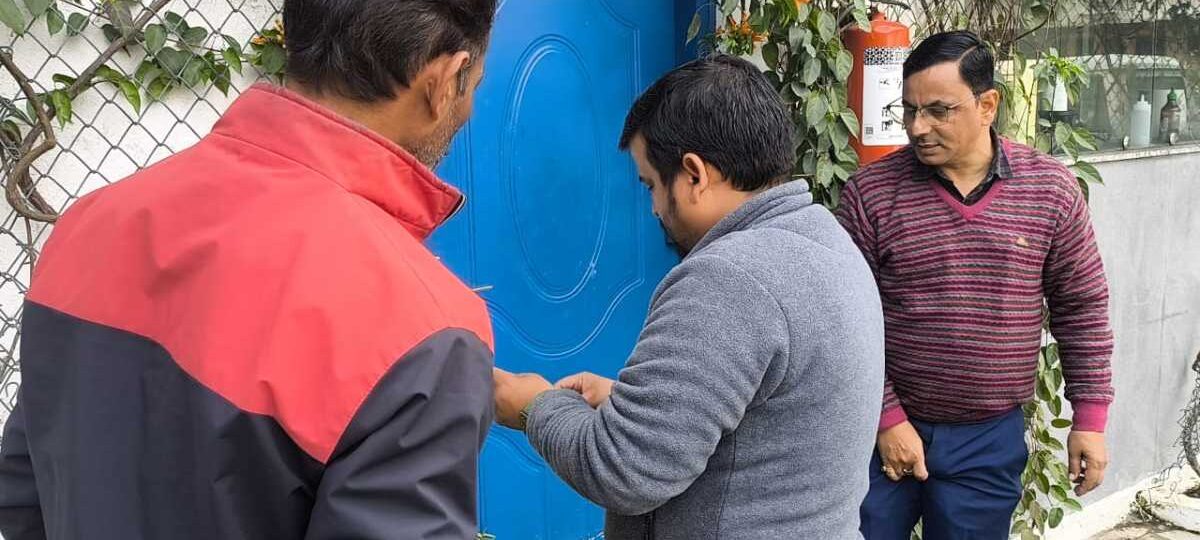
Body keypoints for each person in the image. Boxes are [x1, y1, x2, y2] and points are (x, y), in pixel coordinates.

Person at [0, 1, 498, 538]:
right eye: (474, 88)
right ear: (446, 78)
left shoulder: (90, 224)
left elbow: (27, 495)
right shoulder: (424, 328)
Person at [493, 55, 886, 539]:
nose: (655, 208)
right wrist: (634, 406)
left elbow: (625, 470)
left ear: (695, 174)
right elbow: (776, 422)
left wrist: (533, 406)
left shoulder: (729, 277)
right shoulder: (826, 242)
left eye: (651, 185)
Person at [837, 31, 1115, 539]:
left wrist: (1090, 418)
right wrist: (885, 417)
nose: (918, 127)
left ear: (988, 104)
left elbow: (1082, 306)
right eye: (910, 110)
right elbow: (843, 321)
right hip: (878, 433)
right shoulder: (870, 196)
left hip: (988, 439)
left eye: (939, 110)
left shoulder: (1049, 191)